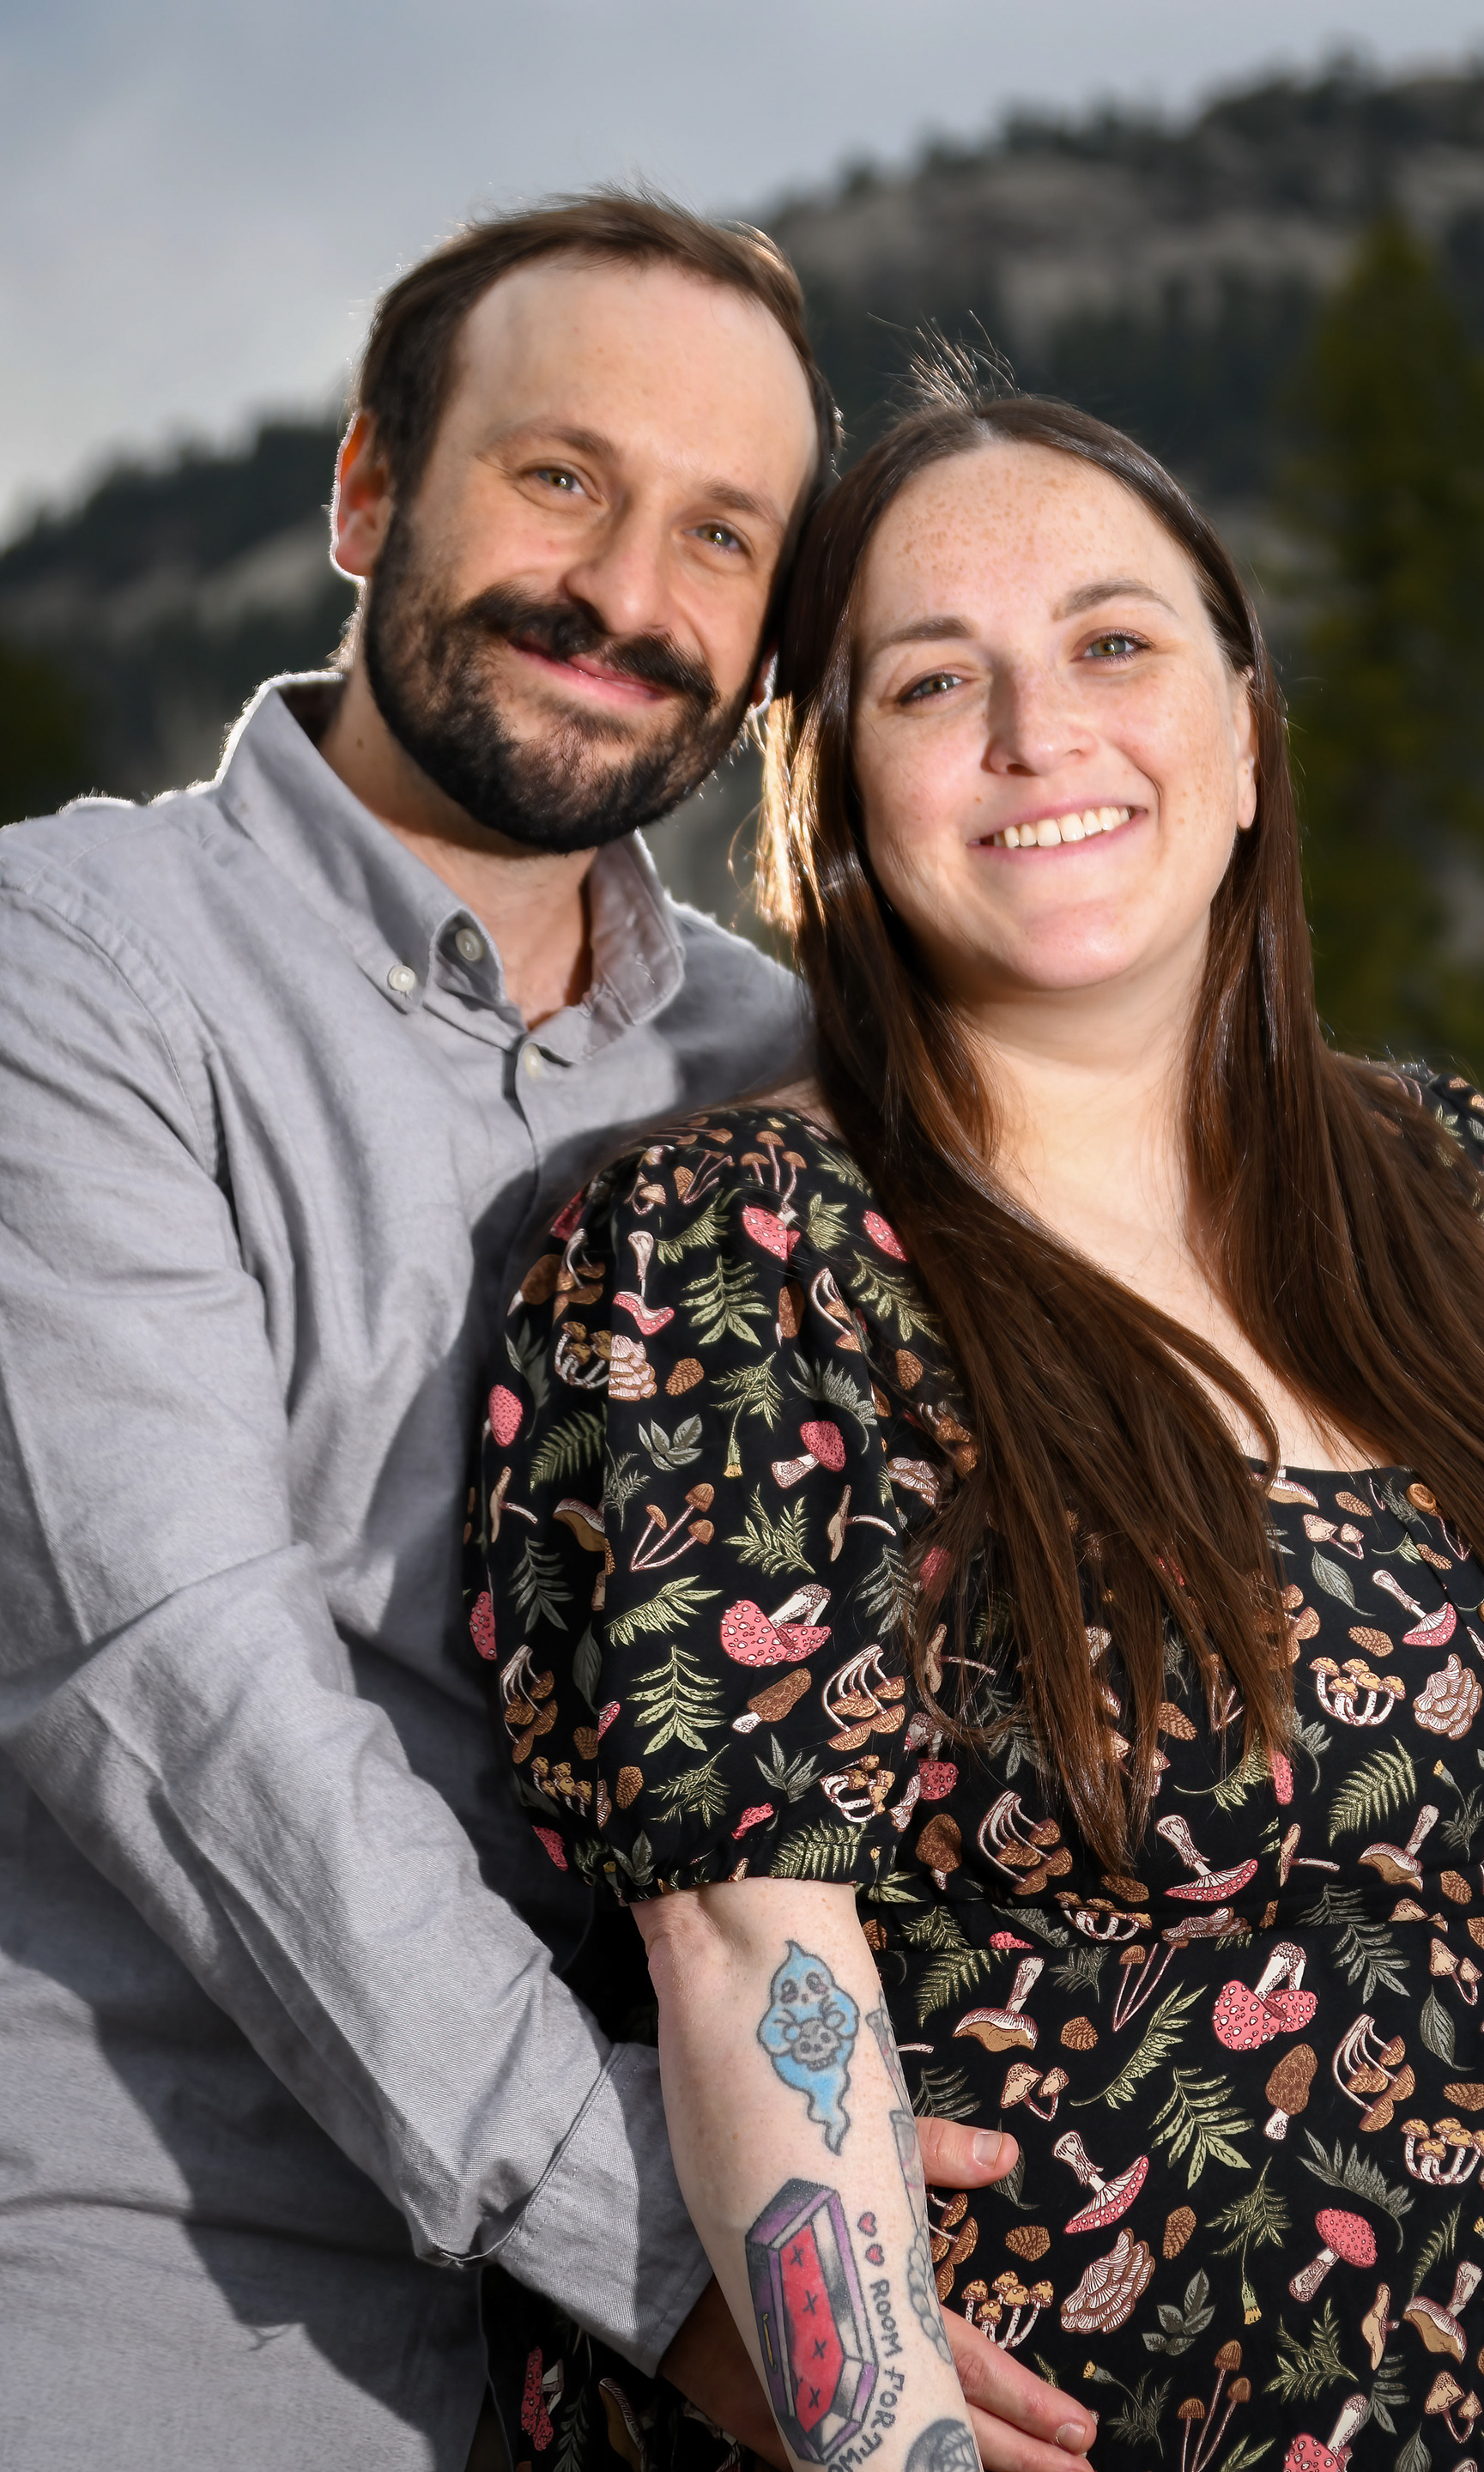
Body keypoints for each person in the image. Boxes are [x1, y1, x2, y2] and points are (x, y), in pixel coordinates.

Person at [0, 201, 1087, 2472]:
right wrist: (702, 2261)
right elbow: (177, 1685)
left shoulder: (788, 1071)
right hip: (176, 2312)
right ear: (368, 490)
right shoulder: (69, 968)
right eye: (560, 477)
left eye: (722, 536)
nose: (624, 594)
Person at [475, 384, 1484, 2472]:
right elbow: (744, 1946)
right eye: (937, 681)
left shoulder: (1433, 1182)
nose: (1040, 733)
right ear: (835, 795)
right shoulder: (735, 1249)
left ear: (1246, 731)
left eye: (1115, 642)